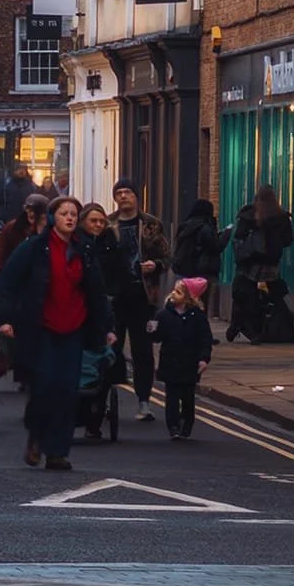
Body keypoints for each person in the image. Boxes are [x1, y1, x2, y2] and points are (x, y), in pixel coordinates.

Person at [0, 195, 113, 472]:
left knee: (67, 391)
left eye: (74, 214)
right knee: (45, 387)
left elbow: (97, 291)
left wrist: (107, 327)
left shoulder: (84, 249)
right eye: (64, 214)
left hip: (74, 328)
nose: (70, 218)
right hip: (42, 328)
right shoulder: (34, 248)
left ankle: (57, 452)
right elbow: (7, 282)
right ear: (52, 218)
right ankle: (36, 436)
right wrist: (4, 319)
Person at [108, 180, 171, 421]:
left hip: (142, 297)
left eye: (127, 192)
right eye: (119, 193)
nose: (123, 196)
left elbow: (167, 256)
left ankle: (144, 402)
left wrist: (155, 265)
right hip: (114, 297)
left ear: (136, 196)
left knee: (142, 351)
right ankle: (107, 399)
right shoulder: (107, 223)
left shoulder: (151, 225)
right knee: (111, 349)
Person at [148, 277, 214, 439]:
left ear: (189, 297)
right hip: (170, 362)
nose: (172, 293)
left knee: (187, 397)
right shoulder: (163, 314)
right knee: (171, 397)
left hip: (190, 364)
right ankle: (173, 427)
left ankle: (186, 423)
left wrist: (204, 359)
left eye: (178, 292)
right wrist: (151, 329)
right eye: (174, 290)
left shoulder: (198, 317)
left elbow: (205, 339)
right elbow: (156, 337)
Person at [229, 185, 294, 343]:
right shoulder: (281, 217)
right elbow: (287, 240)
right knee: (277, 295)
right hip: (271, 264)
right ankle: (281, 327)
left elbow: (239, 237)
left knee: (244, 293)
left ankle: (249, 328)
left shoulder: (249, 215)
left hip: (250, 264)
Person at [173, 198, 231, 289]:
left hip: (186, 272)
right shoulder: (204, 227)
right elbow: (216, 246)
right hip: (204, 273)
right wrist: (227, 233)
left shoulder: (185, 226)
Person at [78, 203, 129, 296]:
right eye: (93, 221)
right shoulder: (76, 242)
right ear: (82, 221)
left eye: (102, 221)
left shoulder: (110, 240)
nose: (98, 225)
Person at [0, 190, 49, 275]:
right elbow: (2, 256)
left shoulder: (49, 230)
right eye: (28, 209)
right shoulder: (12, 228)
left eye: (36, 210)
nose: (31, 213)